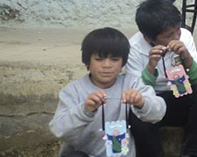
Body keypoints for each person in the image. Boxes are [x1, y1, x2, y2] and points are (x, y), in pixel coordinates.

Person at [49, 28, 166, 157]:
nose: (107, 65)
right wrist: (84, 111)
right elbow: (58, 129)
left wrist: (142, 102)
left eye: (114, 59)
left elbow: (158, 112)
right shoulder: (73, 91)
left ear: (123, 62)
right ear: (87, 62)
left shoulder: (132, 83)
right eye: (99, 59)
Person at [126, 0, 197, 157]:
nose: (176, 37)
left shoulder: (185, 36)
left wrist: (187, 57)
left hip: (179, 98)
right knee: (134, 109)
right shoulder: (134, 48)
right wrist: (150, 67)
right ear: (149, 38)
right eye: (169, 35)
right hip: (152, 102)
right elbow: (137, 91)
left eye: (177, 30)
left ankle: (191, 152)